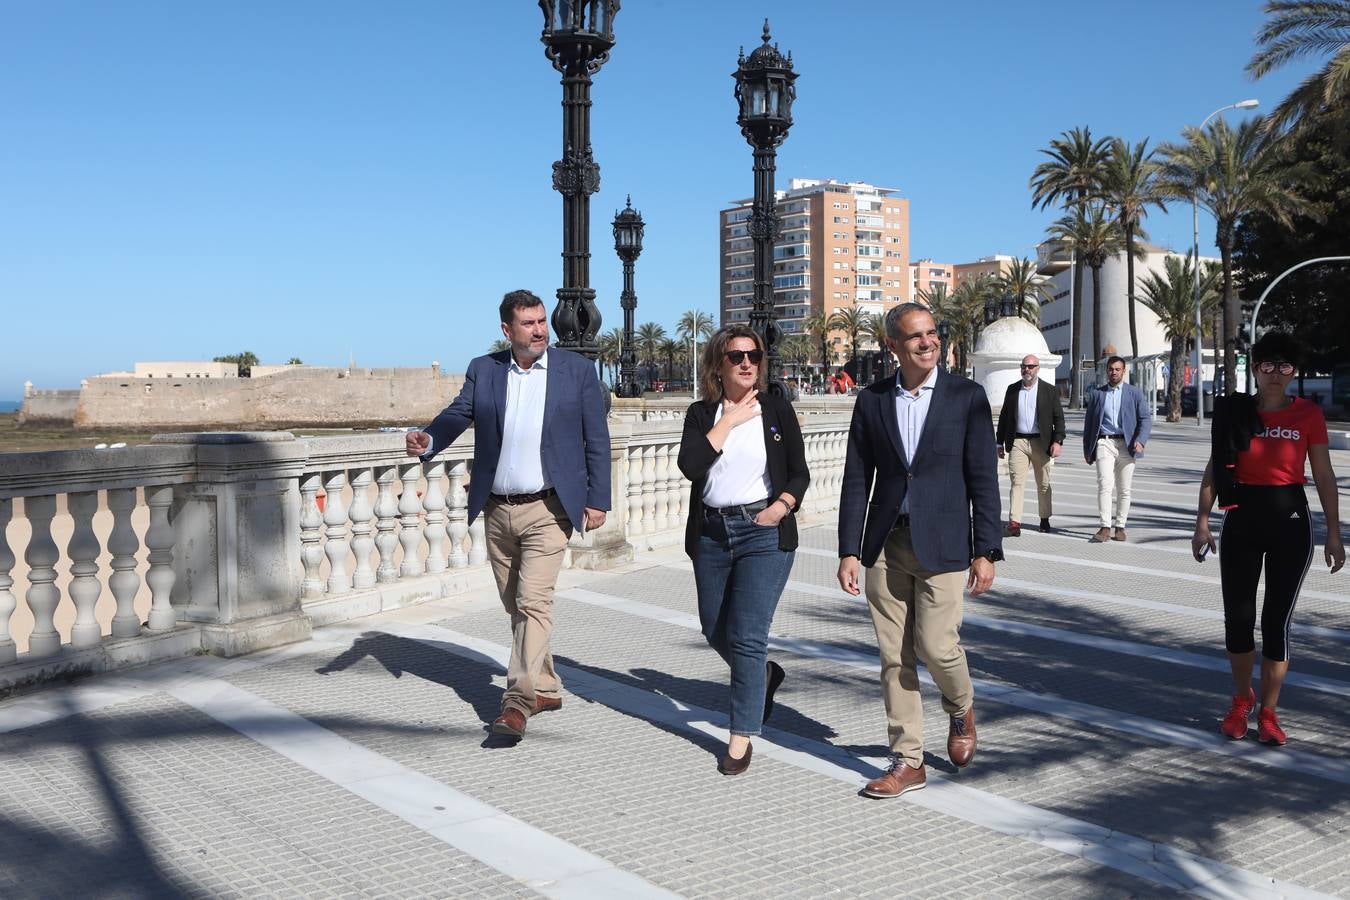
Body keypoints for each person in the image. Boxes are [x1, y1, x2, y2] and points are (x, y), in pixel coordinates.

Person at [406, 289, 610, 739]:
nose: (540, 330)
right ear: (507, 330)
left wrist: (599, 499)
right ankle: (548, 685)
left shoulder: (575, 371)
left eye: (542, 322)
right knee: (515, 605)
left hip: (549, 507)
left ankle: (517, 702)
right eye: (529, 323)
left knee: (533, 602)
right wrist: (430, 439)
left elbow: (597, 438)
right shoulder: (485, 369)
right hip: (498, 508)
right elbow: (459, 414)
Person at [837, 303, 1002, 799]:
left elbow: (983, 479)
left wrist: (986, 549)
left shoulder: (966, 397)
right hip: (886, 542)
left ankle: (961, 706)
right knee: (894, 656)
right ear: (893, 346)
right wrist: (849, 549)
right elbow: (855, 480)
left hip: (946, 542)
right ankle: (907, 760)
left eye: (932, 333)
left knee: (936, 647)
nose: (927, 343)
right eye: (915, 337)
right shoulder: (872, 401)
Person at [1192, 332, 1344, 746]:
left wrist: (1334, 533)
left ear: (1294, 371)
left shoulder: (1308, 415)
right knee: (1238, 620)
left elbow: (1325, 475)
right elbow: (1215, 469)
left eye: (1285, 366)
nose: (1276, 374)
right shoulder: (1235, 412)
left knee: (1276, 622)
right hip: (1242, 520)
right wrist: (1202, 520)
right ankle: (1242, 700)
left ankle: (1270, 713)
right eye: (1268, 365)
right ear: (1255, 368)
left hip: (1291, 523)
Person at [677, 325, 809, 776]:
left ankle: (740, 734)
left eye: (753, 355)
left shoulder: (776, 409)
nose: (747, 363)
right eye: (736, 357)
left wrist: (781, 508)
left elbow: (800, 473)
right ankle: (765, 678)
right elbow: (691, 466)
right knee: (714, 627)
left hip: (762, 532)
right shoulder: (701, 414)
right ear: (719, 365)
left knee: (748, 637)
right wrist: (729, 420)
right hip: (712, 533)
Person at [1082, 356, 1152, 543]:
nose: (1114, 372)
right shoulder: (1098, 394)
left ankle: (1120, 526)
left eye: (1117, 369)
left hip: (1127, 445)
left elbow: (1145, 419)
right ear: (1107, 371)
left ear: (1124, 371)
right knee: (1105, 484)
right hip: (1104, 443)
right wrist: (1087, 450)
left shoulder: (1134, 393)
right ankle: (1105, 527)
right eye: (1111, 369)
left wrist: (1141, 440)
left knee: (1124, 488)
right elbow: (1089, 424)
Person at [996, 354, 1065, 535]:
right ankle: (1014, 523)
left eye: (1031, 366)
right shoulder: (1012, 390)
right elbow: (1004, 417)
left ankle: (1044, 518)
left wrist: (1057, 441)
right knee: (1016, 482)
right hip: (1017, 441)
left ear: (1038, 368)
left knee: (1043, 483)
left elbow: (1059, 419)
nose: (1027, 370)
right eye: (1024, 366)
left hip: (1041, 442)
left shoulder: (1049, 391)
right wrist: (999, 442)